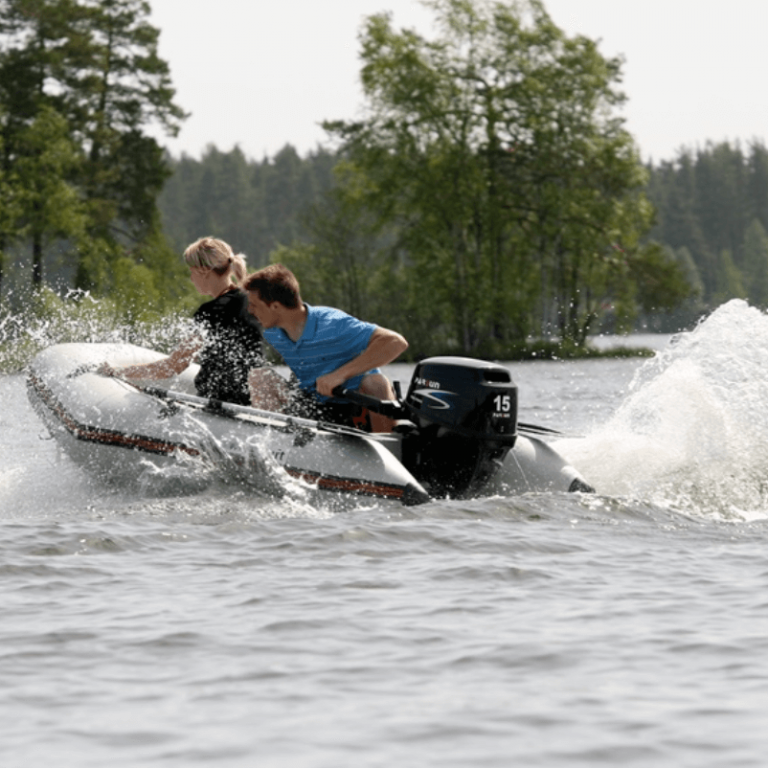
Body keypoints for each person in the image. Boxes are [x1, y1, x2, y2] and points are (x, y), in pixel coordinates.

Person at [99, 237, 272, 406]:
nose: (191, 278)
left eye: (191, 271)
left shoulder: (212, 311)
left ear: (203, 271)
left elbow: (172, 366)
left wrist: (119, 371)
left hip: (220, 406)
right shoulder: (251, 301)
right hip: (249, 404)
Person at [242, 263, 408, 433]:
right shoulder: (273, 332)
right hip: (314, 407)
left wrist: (339, 375)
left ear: (275, 306)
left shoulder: (333, 323)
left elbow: (396, 342)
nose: (250, 309)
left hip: (355, 407)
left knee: (376, 382)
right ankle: (276, 445)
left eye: (254, 304)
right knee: (259, 377)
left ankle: (387, 447)